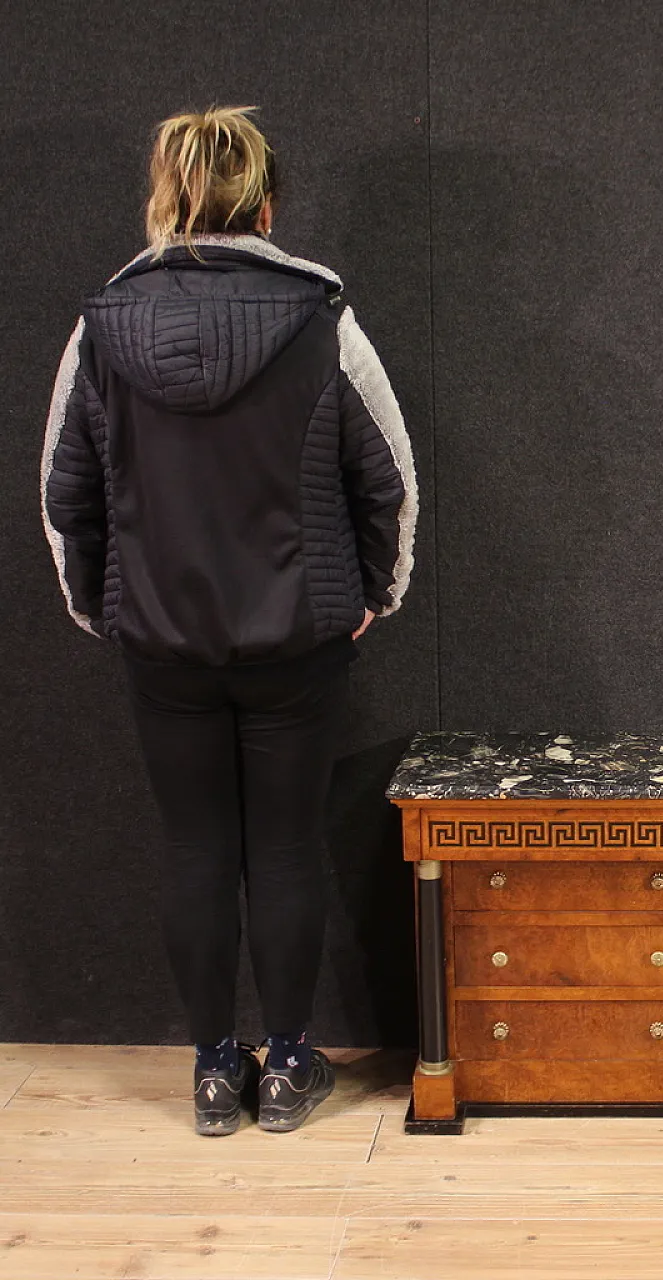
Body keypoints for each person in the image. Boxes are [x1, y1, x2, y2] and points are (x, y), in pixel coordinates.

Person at [40, 106, 417, 1136]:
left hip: (162, 641)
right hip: (297, 637)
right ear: (264, 202)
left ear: (167, 198)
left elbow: (62, 490)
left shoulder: (100, 326)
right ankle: (289, 1065)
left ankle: (215, 1072)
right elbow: (386, 478)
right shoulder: (322, 319)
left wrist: (100, 605)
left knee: (197, 847)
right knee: (288, 846)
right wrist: (375, 592)